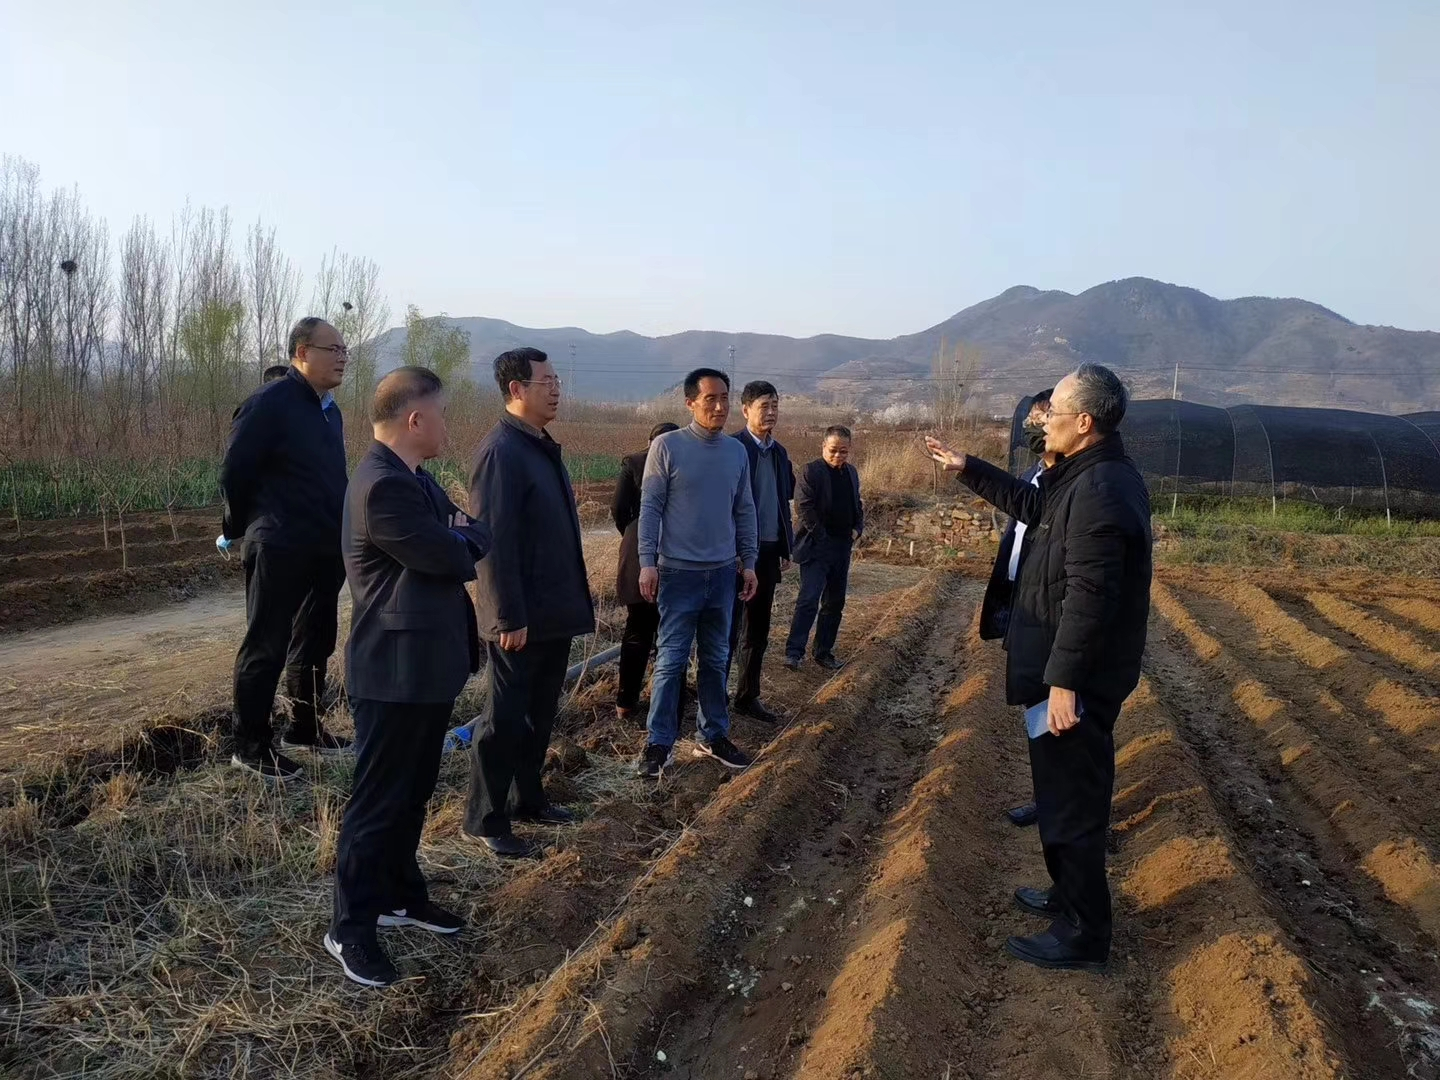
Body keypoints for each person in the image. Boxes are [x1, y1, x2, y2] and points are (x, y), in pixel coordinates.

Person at [926, 362, 1152, 973]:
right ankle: (1066, 894)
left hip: (1077, 677)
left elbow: (1090, 595)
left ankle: (1083, 934)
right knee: (1066, 795)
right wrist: (968, 468)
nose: (1044, 420)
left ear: (1085, 422)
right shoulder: (1084, 474)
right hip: (1065, 663)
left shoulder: (1101, 488)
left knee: (1071, 802)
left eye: (1054, 412)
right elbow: (1032, 505)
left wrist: (1064, 684)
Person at [325, 367, 491, 988]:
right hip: (392, 670)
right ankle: (350, 927)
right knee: (378, 800)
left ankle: (400, 895)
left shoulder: (413, 478)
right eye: (442, 413)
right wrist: (458, 537)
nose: (448, 425)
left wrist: (460, 534)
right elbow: (451, 552)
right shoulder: (381, 487)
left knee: (412, 792)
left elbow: (473, 532)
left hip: (424, 666)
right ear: (415, 419)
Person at [465, 347, 595, 858]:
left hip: (550, 610)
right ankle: (485, 818)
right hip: (519, 618)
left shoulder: (538, 445)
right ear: (516, 389)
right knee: (504, 718)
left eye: (558, 380)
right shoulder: (501, 452)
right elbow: (492, 542)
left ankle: (528, 800)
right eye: (547, 381)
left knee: (539, 713)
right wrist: (506, 616)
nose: (557, 389)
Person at [220, 317, 351, 781]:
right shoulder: (269, 403)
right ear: (301, 352)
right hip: (279, 542)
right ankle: (250, 746)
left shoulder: (329, 411)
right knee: (267, 643)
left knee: (315, 640)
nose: (342, 358)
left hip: (324, 544)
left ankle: (305, 729)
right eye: (333, 349)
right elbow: (234, 471)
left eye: (345, 350)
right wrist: (244, 525)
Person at [634, 368, 759, 778]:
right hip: (677, 574)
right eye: (710, 399)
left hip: (722, 573)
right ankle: (659, 743)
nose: (720, 406)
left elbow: (744, 509)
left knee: (716, 658)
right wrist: (647, 562)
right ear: (690, 402)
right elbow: (650, 508)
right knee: (671, 660)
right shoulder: (667, 446)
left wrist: (749, 561)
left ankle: (713, 734)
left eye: (724, 398)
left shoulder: (736, 452)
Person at [984, 389, 1057, 830]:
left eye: (1040, 419)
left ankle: (1073, 809)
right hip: (1023, 604)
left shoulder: (1070, 484)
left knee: (1060, 715)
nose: (1032, 428)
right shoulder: (1034, 474)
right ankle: (1048, 796)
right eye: (1029, 420)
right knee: (1037, 709)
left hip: (1048, 612)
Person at [727, 382, 796, 725]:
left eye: (775, 406)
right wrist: (737, 551)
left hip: (767, 553)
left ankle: (747, 696)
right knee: (725, 630)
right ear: (745, 410)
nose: (771, 412)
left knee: (757, 629)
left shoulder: (780, 453)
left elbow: (783, 501)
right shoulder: (732, 448)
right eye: (764, 406)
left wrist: (786, 545)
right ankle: (713, 700)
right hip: (734, 555)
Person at [613, 422, 682, 721]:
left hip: (637, 553)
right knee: (673, 632)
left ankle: (626, 701)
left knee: (637, 629)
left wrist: (634, 532)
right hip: (676, 550)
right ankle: (669, 704)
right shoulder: (683, 461)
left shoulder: (634, 462)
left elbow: (619, 509)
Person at [784, 426, 863, 671]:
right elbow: (803, 508)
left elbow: (856, 504)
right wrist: (823, 537)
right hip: (816, 547)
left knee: (835, 602)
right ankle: (794, 652)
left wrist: (857, 528)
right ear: (823, 446)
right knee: (809, 600)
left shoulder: (851, 472)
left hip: (842, 547)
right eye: (833, 450)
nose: (838, 456)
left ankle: (823, 651)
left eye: (843, 451)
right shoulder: (811, 471)